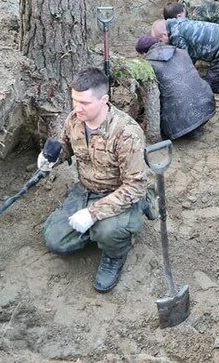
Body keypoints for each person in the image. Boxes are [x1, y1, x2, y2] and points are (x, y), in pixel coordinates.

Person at [40, 68, 154, 293]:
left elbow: (136, 185)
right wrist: (50, 158)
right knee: (55, 240)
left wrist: (92, 214)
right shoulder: (75, 120)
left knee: (109, 232)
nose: (77, 108)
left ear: (104, 100)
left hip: (119, 193)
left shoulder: (126, 132)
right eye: (74, 100)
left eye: (84, 102)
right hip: (85, 190)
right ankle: (99, 231)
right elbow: (67, 147)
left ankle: (114, 253)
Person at [135, 35, 215, 140]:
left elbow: (152, 100)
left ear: (144, 53)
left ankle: (188, 130)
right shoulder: (181, 51)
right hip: (207, 109)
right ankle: (195, 126)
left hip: (178, 124)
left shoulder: (149, 65)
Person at [151, 18, 219, 94]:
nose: (163, 44)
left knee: (211, 85)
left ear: (164, 34)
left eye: (161, 41)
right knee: (218, 73)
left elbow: (184, 61)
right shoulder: (178, 22)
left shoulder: (176, 36)